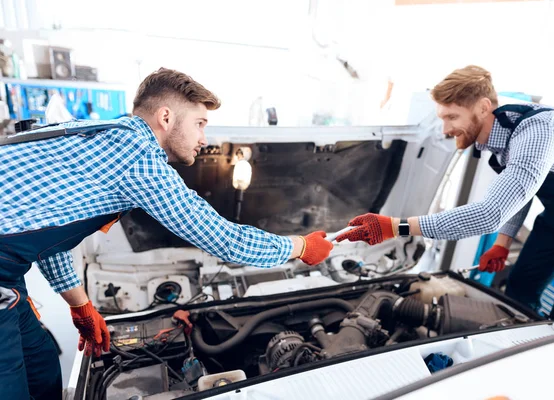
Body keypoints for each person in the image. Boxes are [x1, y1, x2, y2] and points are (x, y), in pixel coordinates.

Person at [0, 67, 333, 399]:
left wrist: (81, 305)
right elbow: (226, 240)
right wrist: (300, 246)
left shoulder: (98, 134)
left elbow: (47, 225)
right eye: (199, 124)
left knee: (41, 364)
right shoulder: (137, 157)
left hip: (9, 272)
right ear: (165, 117)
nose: (205, 139)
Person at [339, 65, 554, 320]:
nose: (445, 130)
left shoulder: (537, 133)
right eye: (442, 118)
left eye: (452, 117)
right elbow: (519, 194)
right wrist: (502, 243)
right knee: (520, 288)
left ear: (484, 107)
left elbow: (490, 214)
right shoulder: (505, 135)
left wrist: (397, 227)